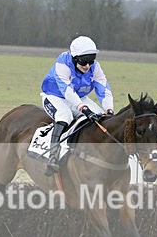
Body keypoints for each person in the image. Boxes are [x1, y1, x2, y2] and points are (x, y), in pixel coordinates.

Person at [40, 35, 114, 175]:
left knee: (100, 117)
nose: (87, 66)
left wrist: (109, 109)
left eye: (91, 61)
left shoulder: (95, 67)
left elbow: (103, 89)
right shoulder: (62, 63)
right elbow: (67, 90)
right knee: (65, 116)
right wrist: (82, 107)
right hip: (55, 96)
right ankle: (52, 156)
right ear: (74, 59)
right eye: (83, 62)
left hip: (78, 97)